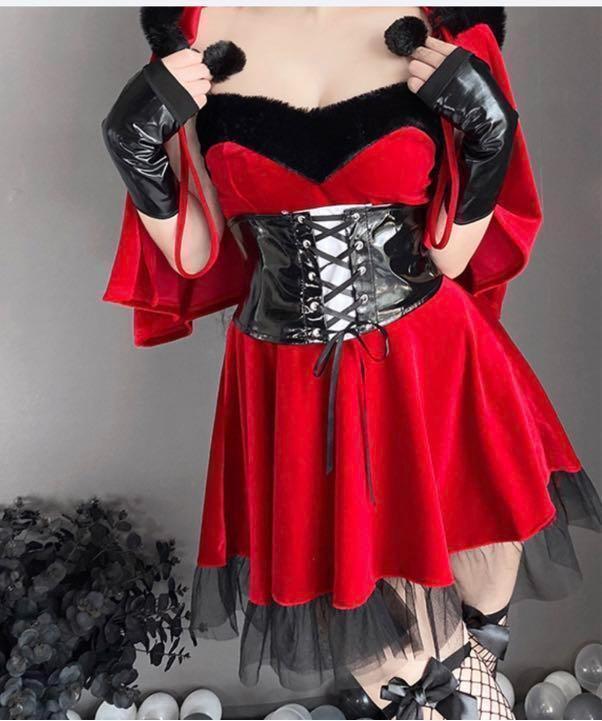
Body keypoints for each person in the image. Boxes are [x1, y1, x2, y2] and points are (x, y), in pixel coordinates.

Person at [101, 7, 601, 719]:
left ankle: (465, 682)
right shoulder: (198, 29)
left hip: (428, 361)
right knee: (383, 630)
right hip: (291, 384)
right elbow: (195, 252)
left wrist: (490, 139)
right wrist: (135, 151)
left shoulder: (439, 24)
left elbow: (450, 256)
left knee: (472, 582)